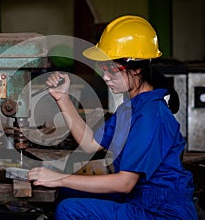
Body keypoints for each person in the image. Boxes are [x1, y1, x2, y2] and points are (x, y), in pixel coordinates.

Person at [28, 15, 198, 220]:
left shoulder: (150, 116)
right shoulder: (131, 108)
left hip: (161, 212)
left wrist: (60, 178)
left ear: (136, 68)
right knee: (67, 193)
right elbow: (90, 143)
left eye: (112, 70)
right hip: (140, 199)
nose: (105, 76)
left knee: (69, 209)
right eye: (103, 68)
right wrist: (62, 98)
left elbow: (124, 183)